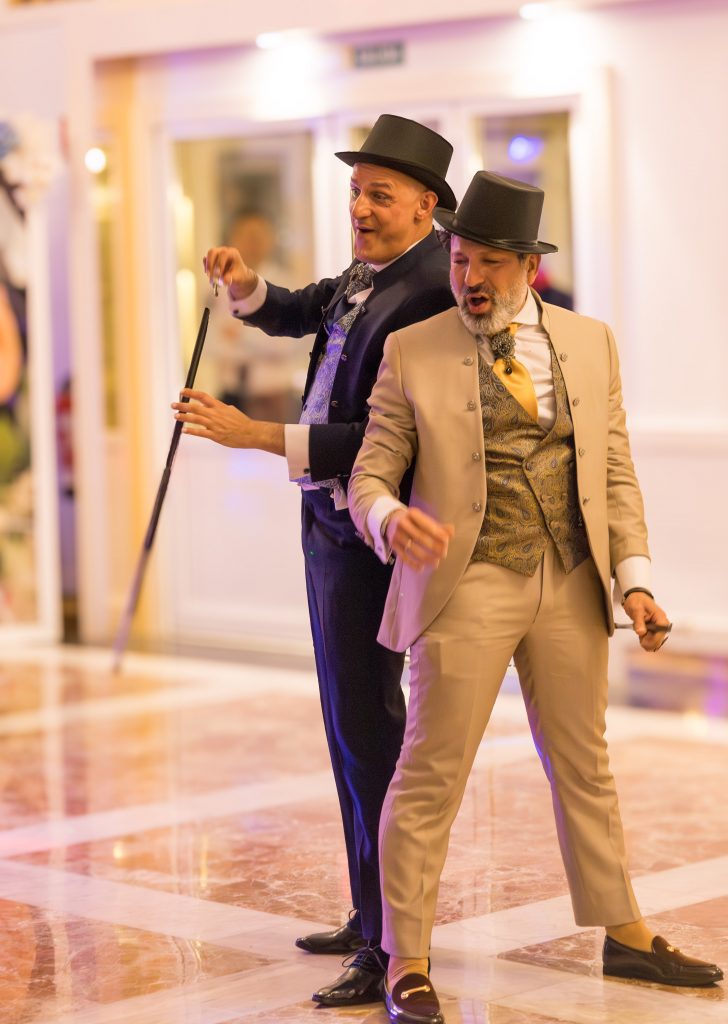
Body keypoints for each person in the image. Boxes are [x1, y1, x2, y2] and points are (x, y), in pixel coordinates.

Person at [347, 171, 723, 1024]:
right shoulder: (414, 349)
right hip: (466, 579)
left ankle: (625, 931)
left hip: (571, 578)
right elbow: (371, 473)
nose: (469, 277)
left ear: (527, 267)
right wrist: (391, 519)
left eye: (488, 263)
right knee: (431, 771)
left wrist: (634, 580)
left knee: (585, 765)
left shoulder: (590, 343)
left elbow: (613, 468)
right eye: (459, 259)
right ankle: (407, 958)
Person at [171, 115, 457, 1007]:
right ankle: (369, 911)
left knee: (371, 733)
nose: (359, 209)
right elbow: (303, 311)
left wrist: (256, 435)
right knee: (345, 729)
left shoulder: (431, 289)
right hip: (326, 525)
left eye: (379, 195)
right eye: (355, 191)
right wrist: (247, 286)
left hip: (372, 532)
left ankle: (392, 940)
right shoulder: (371, 273)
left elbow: (385, 436)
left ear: (427, 205)